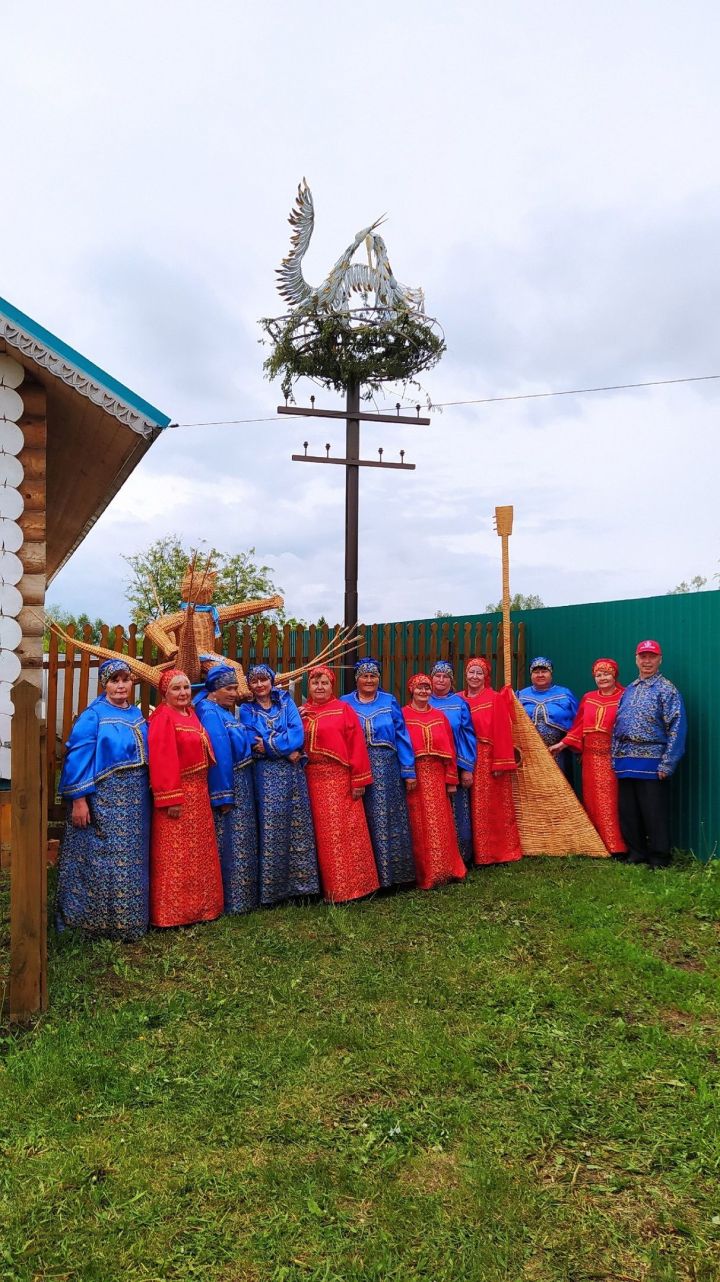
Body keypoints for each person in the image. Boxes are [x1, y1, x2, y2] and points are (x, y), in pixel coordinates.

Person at [55, 658, 150, 941]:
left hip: (135, 804)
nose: (120, 685)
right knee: (99, 862)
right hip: (103, 802)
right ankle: (89, 926)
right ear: (104, 684)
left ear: (132, 682)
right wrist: (79, 800)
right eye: (114, 680)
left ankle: (129, 924)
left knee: (131, 862)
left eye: (125, 679)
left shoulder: (136, 714)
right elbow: (77, 757)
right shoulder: (93, 715)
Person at [148, 668, 224, 927]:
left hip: (198, 793)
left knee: (197, 854)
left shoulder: (190, 714)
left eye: (186, 687)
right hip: (178, 794)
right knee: (176, 855)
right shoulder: (163, 717)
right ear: (165, 693)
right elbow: (162, 759)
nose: (182, 693)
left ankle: (201, 908)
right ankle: (173, 914)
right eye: (176, 689)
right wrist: (171, 798)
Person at [240, 662, 320, 905]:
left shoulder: (286, 701)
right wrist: (285, 751)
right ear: (250, 685)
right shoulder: (246, 709)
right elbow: (252, 739)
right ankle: (274, 892)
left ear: (272, 680)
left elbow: (297, 734)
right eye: (254, 681)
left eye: (264, 679)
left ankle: (303, 889)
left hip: (293, 775)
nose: (260, 684)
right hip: (266, 776)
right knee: (272, 827)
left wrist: (273, 745)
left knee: (298, 825)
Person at [300, 665, 380, 904]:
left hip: (339, 780)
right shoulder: (302, 712)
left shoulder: (343, 710)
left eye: (324, 683)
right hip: (310, 781)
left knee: (343, 833)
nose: (319, 687)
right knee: (317, 836)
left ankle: (352, 887)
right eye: (315, 683)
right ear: (309, 687)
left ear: (331, 685)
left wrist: (359, 779)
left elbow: (356, 745)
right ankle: (322, 889)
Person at [341, 657, 416, 888]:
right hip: (355, 766)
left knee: (386, 817)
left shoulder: (388, 700)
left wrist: (408, 769)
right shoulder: (344, 703)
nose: (369, 680)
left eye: (373, 676)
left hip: (386, 768)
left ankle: (393, 877)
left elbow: (402, 735)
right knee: (359, 818)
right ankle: (364, 877)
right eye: (365, 676)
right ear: (356, 679)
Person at [611, 640, 687, 869]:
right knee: (629, 812)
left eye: (651, 657)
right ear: (636, 659)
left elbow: (677, 726)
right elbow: (617, 725)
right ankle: (636, 853)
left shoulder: (667, 689)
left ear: (659, 659)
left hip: (653, 761)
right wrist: (615, 757)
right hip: (626, 761)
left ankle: (659, 858)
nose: (647, 661)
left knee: (654, 812)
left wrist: (668, 763)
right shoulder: (630, 689)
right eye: (642, 656)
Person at [194, 664, 259, 914]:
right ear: (214, 690)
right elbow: (219, 755)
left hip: (238, 780)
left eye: (235, 688)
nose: (234, 693)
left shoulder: (221, 710)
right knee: (231, 841)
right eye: (229, 688)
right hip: (231, 783)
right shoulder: (210, 713)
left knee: (238, 840)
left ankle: (240, 898)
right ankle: (233, 900)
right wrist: (224, 794)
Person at [550, 658, 626, 856]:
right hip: (590, 759)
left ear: (614, 675)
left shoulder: (625, 697)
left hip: (613, 758)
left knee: (612, 801)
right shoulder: (589, 698)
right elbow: (579, 726)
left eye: (606, 674)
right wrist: (562, 744)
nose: (602, 678)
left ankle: (616, 845)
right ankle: (596, 844)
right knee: (592, 800)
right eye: (598, 675)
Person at [402, 674, 466, 890]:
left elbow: (450, 751)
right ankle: (424, 873)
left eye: (427, 688)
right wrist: (407, 773)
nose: (423, 692)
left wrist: (451, 780)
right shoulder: (403, 715)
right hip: (415, 778)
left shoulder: (440, 717)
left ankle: (446, 869)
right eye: (419, 688)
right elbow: (400, 747)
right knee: (417, 824)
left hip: (437, 777)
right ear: (411, 689)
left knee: (440, 822)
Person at [460, 656, 522, 866]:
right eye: (471, 672)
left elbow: (503, 732)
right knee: (465, 807)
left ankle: (494, 853)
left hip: (487, 758)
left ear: (486, 677)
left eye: (479, 673)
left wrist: (500, 762)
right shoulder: (459, 699)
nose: (474, 676)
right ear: (465, 674)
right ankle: (469, 853)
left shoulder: (494, 698)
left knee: (488, 808)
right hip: (464, 759)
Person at [428, 660, 477, 864]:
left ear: (451, 681)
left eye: (445, 676)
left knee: (458, 811)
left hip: (455, 765)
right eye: (437, 676)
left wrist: (466, 768)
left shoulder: (459, 704)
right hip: (430, 768)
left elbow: (468, 735)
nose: (441, 680)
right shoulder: (423, 700)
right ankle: (438, 856)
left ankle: (461, 856)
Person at [517, 657, 578, 782]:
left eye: (544, 671)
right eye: (536, 671)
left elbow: (578, 722)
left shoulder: (565, 694)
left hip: (558, 752)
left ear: (551, 673)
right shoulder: (521, 695)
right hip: (529, 754)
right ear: (531, 674)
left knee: (560, 787)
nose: (540, 675)